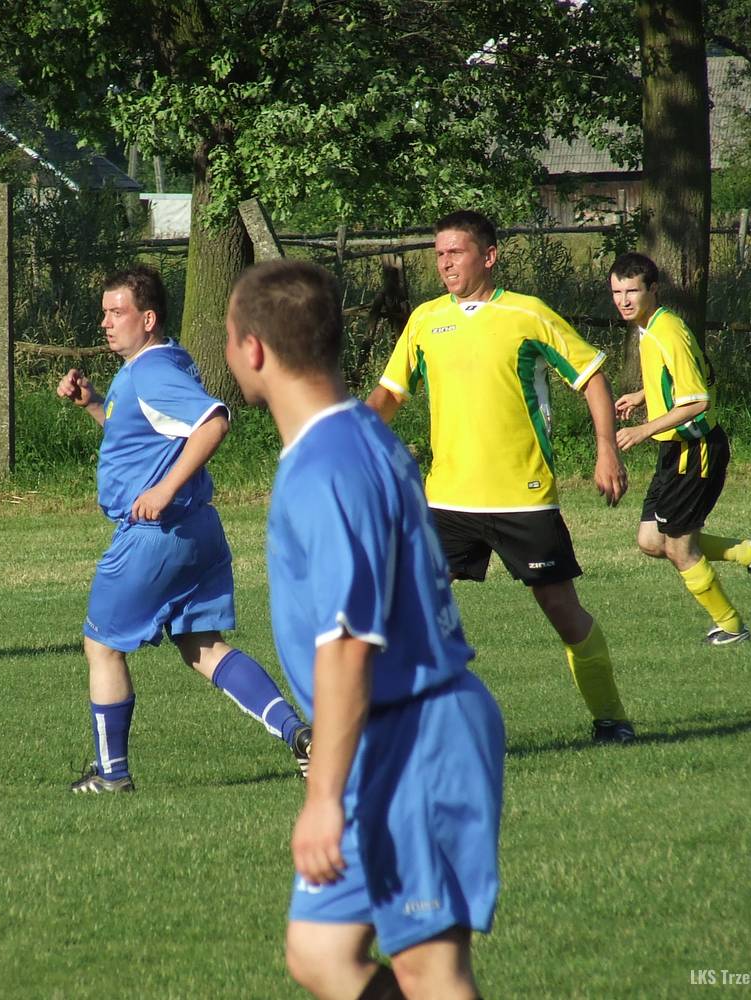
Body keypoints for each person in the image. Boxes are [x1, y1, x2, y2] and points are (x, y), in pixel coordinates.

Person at [225, 258, 505, 1000]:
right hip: (377, 732)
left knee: (428, 970)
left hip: (415, 733)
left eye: (226, 337)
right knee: (319, 953)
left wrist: (322, 796)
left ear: (253, 348)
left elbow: (348, 641)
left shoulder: (329, 465)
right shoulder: (356, 434)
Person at [365, 210, 634, 745]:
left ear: (488, 256)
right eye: (439, 254)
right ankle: (402, 729)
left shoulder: (527, 314)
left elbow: (591, 377)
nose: (445, 263)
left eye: (456, 252)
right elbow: (389, 394)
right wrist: (350, 440)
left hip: (522, 498)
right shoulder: (424, 321)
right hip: (447, 500)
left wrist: (607, 450)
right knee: (410, 610)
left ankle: (611, 718)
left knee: (562, 610)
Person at [57, 264, 311, 792]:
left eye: (117, 312)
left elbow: (214, 420)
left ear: (147, 319)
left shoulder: (151, 372)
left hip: (157, 535)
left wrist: (164, 490)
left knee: (101, 646)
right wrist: (96, 405)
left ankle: (112, 775)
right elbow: (148, 438)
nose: (106, 322)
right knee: (202, 645)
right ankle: (300, 736)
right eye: (104, 312)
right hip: (198, 530)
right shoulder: (160, 362)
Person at [609, 252, 751, 645]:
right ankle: (749, 554)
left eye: (632, 291)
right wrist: (643, 395)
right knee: (652, 541)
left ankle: (732, 627)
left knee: (679, 548)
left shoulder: (667, 332)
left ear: (653, 289)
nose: (624, 300)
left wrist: (643, 430)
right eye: (617, 292)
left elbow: (698, 401)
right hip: (676, 451)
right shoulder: (650, 326)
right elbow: (688, 376)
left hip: (695, 449)